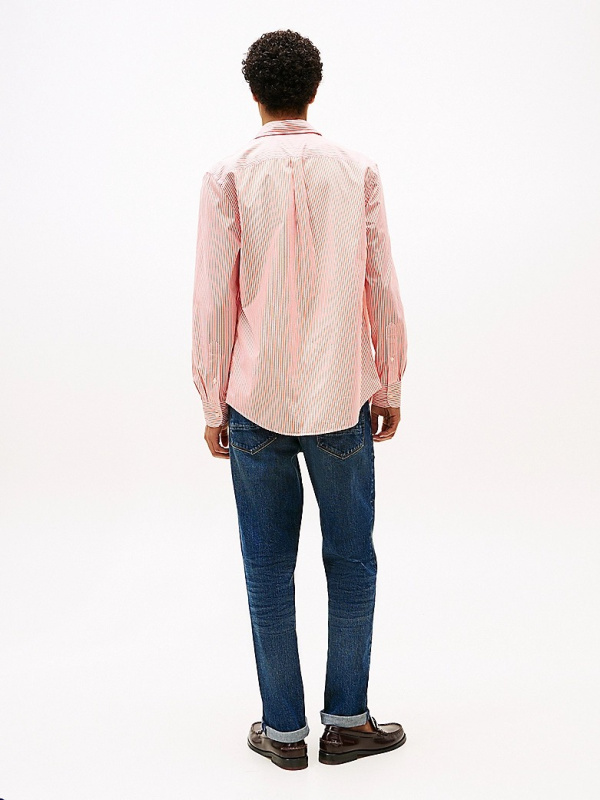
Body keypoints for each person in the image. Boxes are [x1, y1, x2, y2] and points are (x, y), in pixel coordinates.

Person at [191, 29, 408, 770]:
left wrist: (212, 403)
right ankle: (347, 721)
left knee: (266, 566)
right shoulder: (358, 169)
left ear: (254, 93)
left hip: (255, 396)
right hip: (342, 393)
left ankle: (283, 732)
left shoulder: (226, 174)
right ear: (314, 90)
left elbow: (214, 299)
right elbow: (380, 283)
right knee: (351, 560)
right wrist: (390, 380)